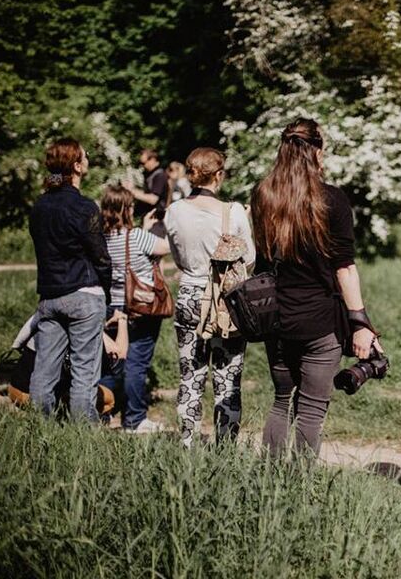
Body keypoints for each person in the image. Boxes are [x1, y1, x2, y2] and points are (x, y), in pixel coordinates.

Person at [251, 118, 380, 457]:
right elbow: (345, 268)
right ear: (317, 153)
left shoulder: (263, 195)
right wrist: (361, 323)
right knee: (310, 410)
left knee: (281, 402)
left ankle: (269, 483)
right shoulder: (332, 201)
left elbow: (262, 262)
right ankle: (299, 488)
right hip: (320, 322)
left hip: (275, 318)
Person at [164, 147, 255, 447]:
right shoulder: (234, 212)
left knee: (190, 375)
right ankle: (225, 448)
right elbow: (250, 259)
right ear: (219, 175)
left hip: (190, 294)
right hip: (225, 301)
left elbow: (177, 257)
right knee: (227, 376)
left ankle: (187, 443)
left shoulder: (175, 211)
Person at [29, 137, 112, 422]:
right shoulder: (84, 207)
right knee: (84, 373)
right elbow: (100, 255)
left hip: (50, 296)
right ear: (77, 166)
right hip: (83, 294)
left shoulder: (39, 206)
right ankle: (82, 436)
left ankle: (40, 428)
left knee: (43, 371)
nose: (88, 158)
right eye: (85, 156)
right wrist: (108, 295)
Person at [99, 185, 172, 433]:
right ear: (126, 209)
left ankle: (103, 411)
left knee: (112, 362)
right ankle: (134, 419)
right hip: (140, 306)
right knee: (137, 362)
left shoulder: (100, 238)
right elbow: (164, 248)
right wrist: (147, 229)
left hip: (112, 306)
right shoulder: (137, 236)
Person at [6, 309, 127, 415]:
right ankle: (69, 427)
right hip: (40, 397)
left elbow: (18, 342)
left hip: (16, 387)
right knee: (107, 398)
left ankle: (52, 422)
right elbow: (119, 356)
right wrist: (122, 319)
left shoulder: (48, 310)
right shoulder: (86, 327)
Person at [123, 148, 170, 219]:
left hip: (156, 218)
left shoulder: (160, 175)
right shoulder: (151, 174)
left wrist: (131, 191)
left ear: (153, 159)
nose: (142, 166)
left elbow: (153, 199)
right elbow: (146, 193)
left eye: (144, 163)